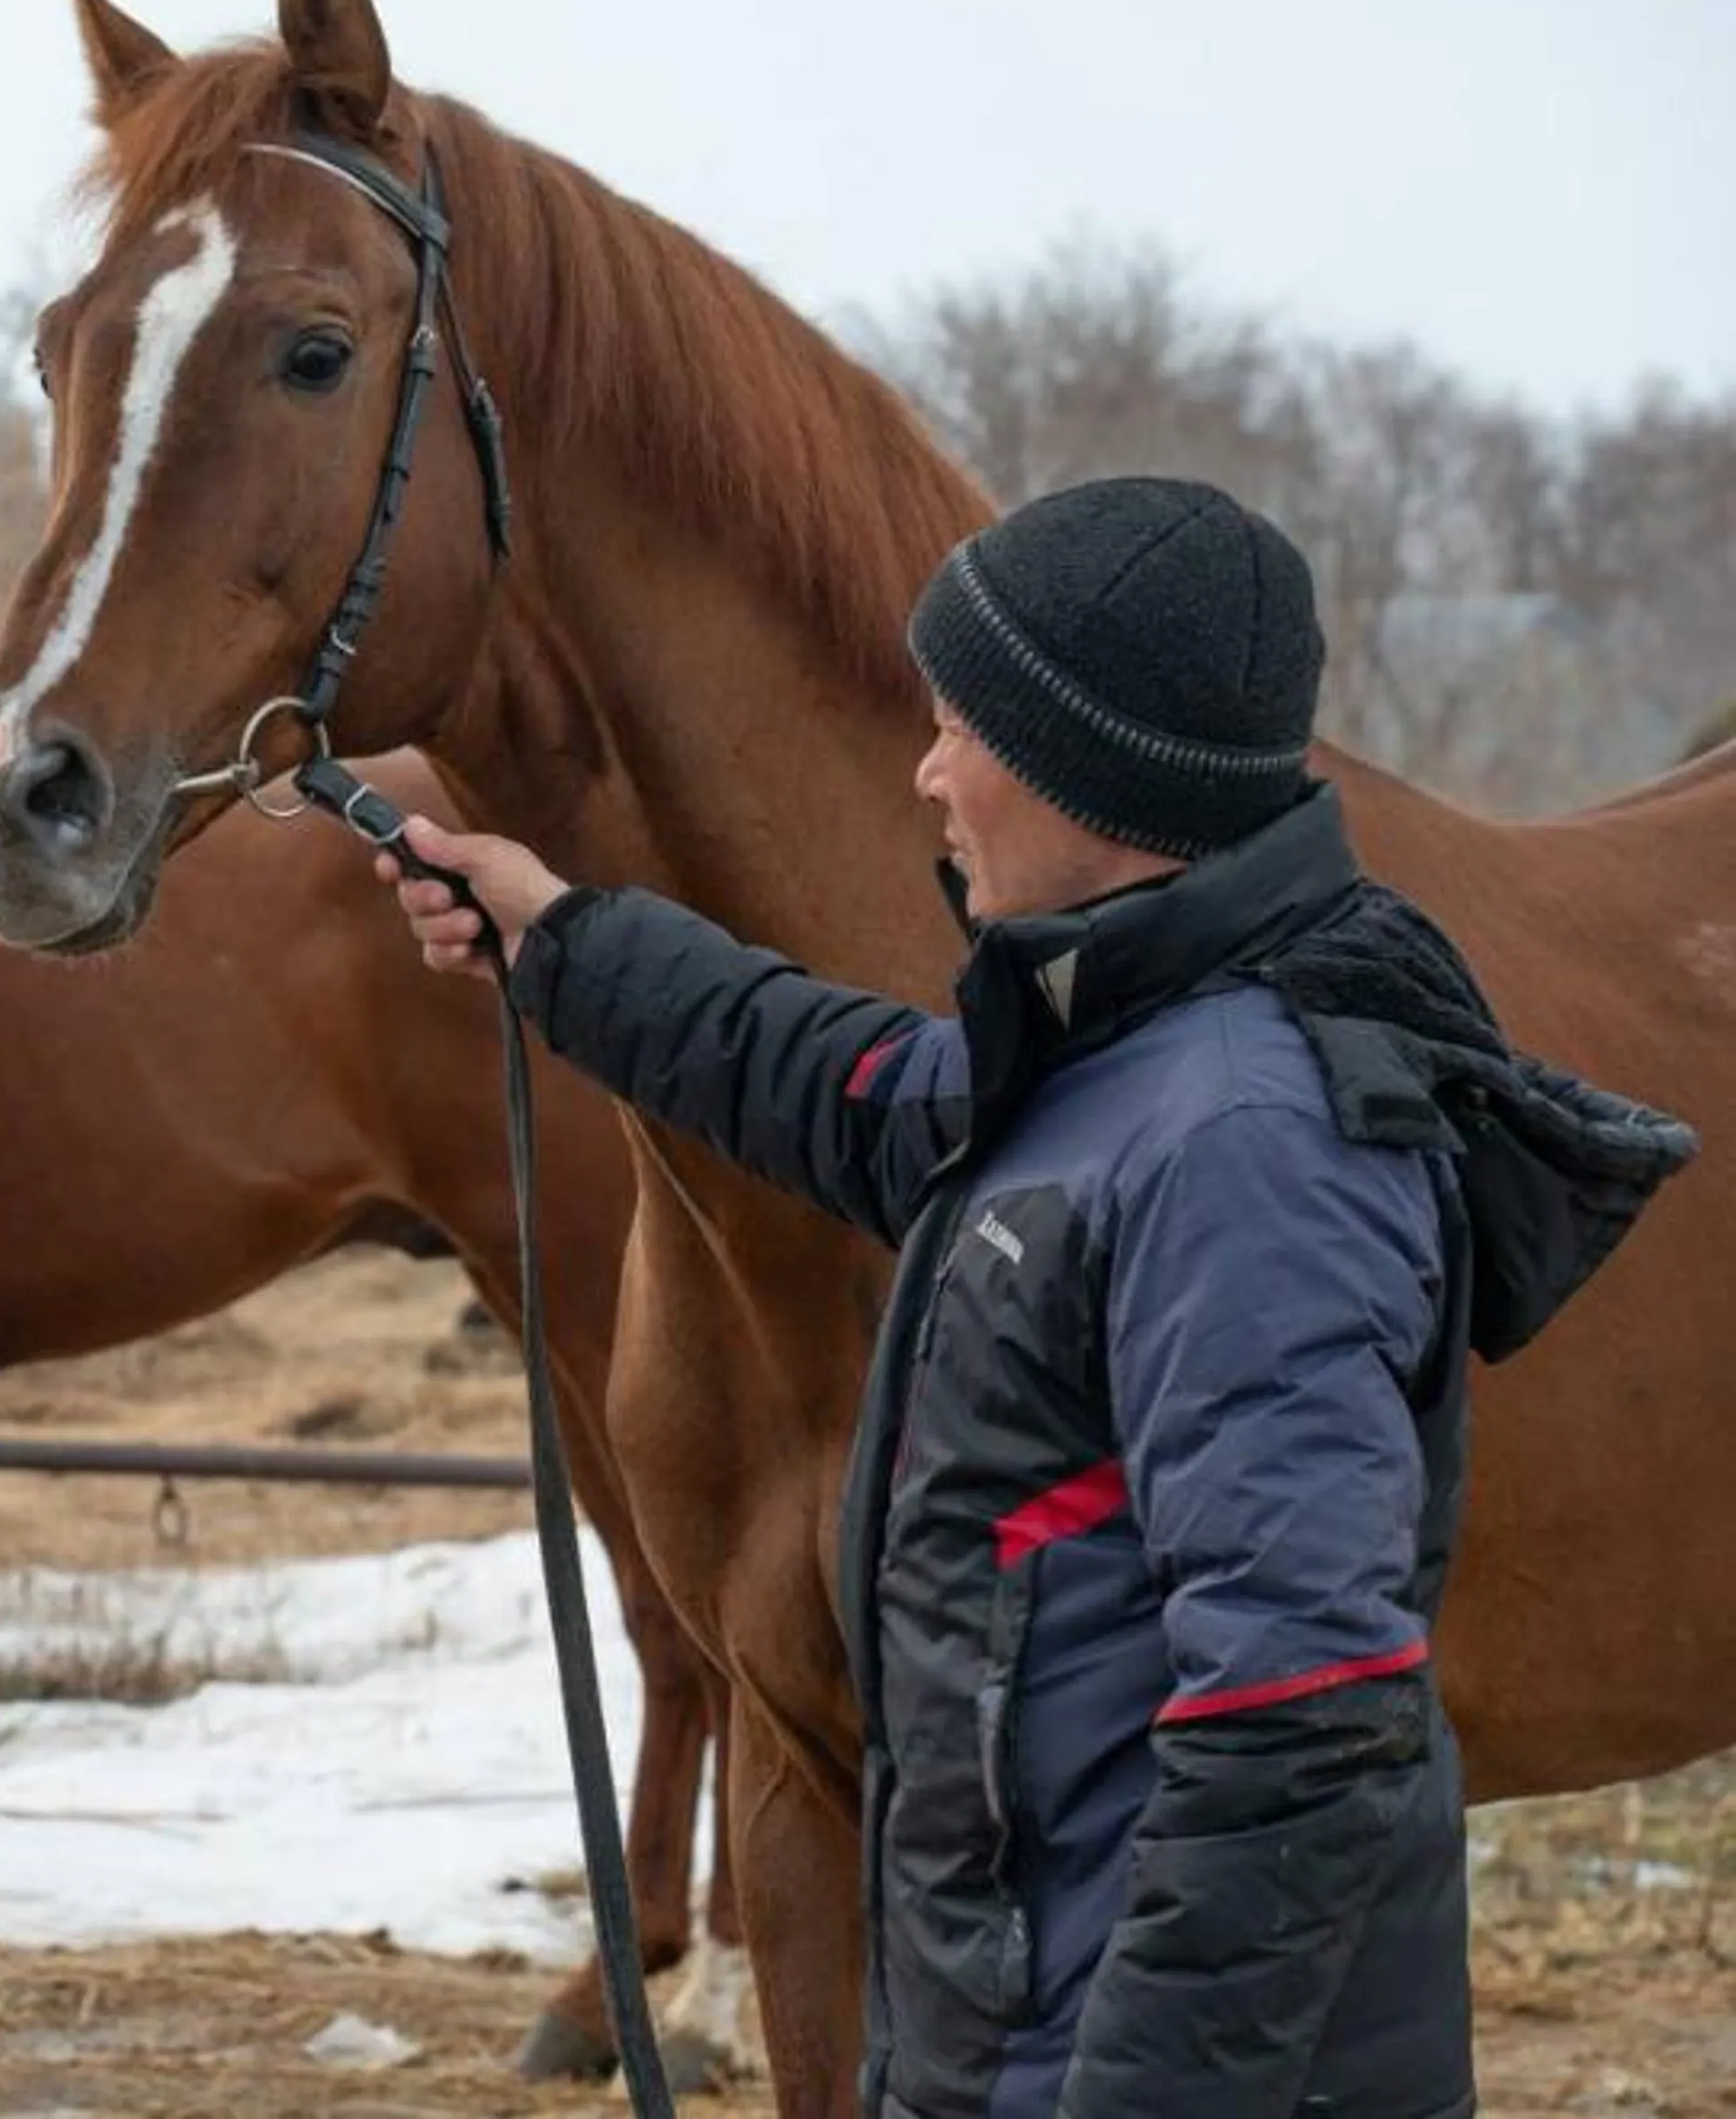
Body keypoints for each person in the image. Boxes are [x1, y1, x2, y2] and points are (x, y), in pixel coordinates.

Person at [380, 477, 1696, 2118]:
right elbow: (853, 1088)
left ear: (1100, 773)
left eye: (962, 729)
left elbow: (1298, 1731)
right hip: (1024, 2030)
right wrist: (564, 944)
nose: (925, 773)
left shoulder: (1248, 1151)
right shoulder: (1117, 1054)